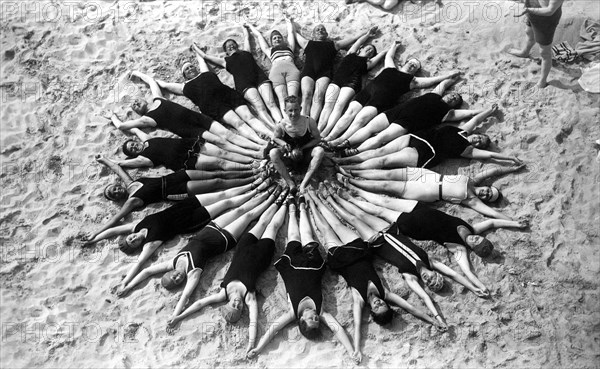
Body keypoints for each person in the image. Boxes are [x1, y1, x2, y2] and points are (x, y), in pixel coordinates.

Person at [109, 185, 286, 323]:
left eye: (173, 277)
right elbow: (187, 297)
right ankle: (273, 199)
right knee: (247, 216)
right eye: (178, 281)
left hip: (209, 229)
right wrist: (176, 315)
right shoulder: (193, 275)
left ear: (168, 273)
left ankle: (263, 191)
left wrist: (127, 285)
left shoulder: (172, 262)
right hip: (225, 239)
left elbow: (146, 271)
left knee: (236, 209)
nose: (178, 277)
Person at [305, 188, 445, 359]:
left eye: (377, 307)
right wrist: (433, 320)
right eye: (383, 305)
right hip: (357, 250)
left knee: (326, 228)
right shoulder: (385, 293)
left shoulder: (359, 300)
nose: (379, 303)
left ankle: (312, 201)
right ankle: (327, 197)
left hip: (340, 258)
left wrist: (356, 349)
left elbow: (357, 326)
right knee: (339, 224)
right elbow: (411, 308)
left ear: (371, 311)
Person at [328, 184, 527, 294]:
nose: (475, 240)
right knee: (385, 200)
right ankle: (356, 190)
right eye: (479, 240)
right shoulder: (472, 228)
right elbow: (492, 223)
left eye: (476, 244)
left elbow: (465, 272)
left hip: (411, 226)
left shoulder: (457, 248)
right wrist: (515, 223)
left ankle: (350, 200)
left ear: (473, 249)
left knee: (380, 210)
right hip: (418, 208)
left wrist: (478, 286)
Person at [166, 199, 288, 352]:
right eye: (238, 307)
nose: (237, 303)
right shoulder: (249, 297)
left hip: (244, 246)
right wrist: (252, 344)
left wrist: (178, 316)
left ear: (227, 304)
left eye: (233, 305)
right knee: (273, 226)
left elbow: (199, 304)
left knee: (262, 223)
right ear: (242, 308)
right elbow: (253, 321)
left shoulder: (223, 293)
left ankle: (277, 199)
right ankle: (285, 204)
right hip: (264, 252)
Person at [247, 199, 358, 362]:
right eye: (317, 321)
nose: (316, 318)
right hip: (314, 264)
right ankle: (302, 208)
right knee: (307, 235)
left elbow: (274, 328)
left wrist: (258, 348)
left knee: (293, 236)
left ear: (301, 320)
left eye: (311, 320)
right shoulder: (321, 312)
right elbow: (338, 329)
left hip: (291, 264)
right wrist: (351, 350)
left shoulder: (292, 313)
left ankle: (292, 209)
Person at [94, 154, 271, 241]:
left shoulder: (131, 184)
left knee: (216, 172)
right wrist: (97, 234)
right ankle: (252, 182)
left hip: (177, 176)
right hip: (176, 190)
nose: (116, 191)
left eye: (114, 188)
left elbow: (118, 168)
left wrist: (104, 160)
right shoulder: (132, 201)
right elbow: (117, 219)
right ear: (117, 200)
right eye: (113, 194)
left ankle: (252, 171)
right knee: (217, 182)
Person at [323, 41, 459, 143]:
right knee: (349, 113)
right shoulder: (390, 67)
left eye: (415, 66)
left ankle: (339, 140)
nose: (412, 65)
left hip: (380, 101)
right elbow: (389, 56)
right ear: (405, 63)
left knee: (360, 120)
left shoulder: (413, 81)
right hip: (366, 92)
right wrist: (394, 45)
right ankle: (329, 135)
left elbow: (432, 80)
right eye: (411, 62)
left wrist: (447, 76)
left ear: (416, 71)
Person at [113, 71, 262, 153]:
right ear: (138, 112)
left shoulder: (158, 98)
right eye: (134, 106)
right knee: (219, 141)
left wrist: (136, 73)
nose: (136, 103)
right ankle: (253, 152)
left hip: (199, 118)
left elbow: (151, 81)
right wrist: (113, 117)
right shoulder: (147, 119)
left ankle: (259, 144)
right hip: (191, 130)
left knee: (227, 134)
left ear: (144, 99)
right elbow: (122, 126)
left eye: (136, 101)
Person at [338, 104, 523, 169]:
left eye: (480, 143)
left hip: (426, 154)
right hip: (416, 138)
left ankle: (352, 165)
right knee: (381, 148)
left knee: (385, 160)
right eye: (480, 137)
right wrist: (489, 112)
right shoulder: (463, 131)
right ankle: (351, 156)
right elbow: (475, 120)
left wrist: (509, 158)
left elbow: (490, 156)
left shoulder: (469, 151)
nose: (477, 140)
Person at [154, 44, 272, 143]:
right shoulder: (184, 86)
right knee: (238, 123)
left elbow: (201, 60)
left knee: (249, 117)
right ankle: (260, 141)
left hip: (228, 95)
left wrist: (195, 49)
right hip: (214, 106)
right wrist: (151, 81)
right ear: (184, 75)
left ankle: (271, 135)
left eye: (191, 66)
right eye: (187, 69)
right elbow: (164, 85)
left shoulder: (205, 72)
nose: (190, 69)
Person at [337, 164, 526, 220]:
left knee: (387, 186)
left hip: (427, 191)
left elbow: (491, 212)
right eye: (489, 191)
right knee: (387, 173)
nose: (485, 193)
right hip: (428, 176)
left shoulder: (471, 200)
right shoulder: (472, 180)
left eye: (488, 197)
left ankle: (352, 184)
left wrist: (513, 221)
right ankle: (353, 171)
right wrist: (512, 168)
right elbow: (493, 171)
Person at [328, 74, 464, 151]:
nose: (452, 97)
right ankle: (345, 143)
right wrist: (454, 77)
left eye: (455, 99)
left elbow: (469, 114)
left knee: (380, 138)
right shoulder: (435, 95)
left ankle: (355, 151)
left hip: (406, 124)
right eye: (453, 95)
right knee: (368, 128)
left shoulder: (448, 113)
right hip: (395, 112)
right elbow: (444, 84)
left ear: (454, 105)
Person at [196, 27, 282, 126]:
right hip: (244, 84)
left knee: (271, 103)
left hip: (260, 78)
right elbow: (206, 56)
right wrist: (196, 48)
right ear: (226, 52)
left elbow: (246, 37)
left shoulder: (246, 51)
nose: (231, 46)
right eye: (229, 46)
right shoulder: (225, 60)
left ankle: (281, 123)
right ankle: (275, 127)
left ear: (237, 45)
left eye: (233, 44)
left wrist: (244, 27)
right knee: (260, 107)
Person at [294, 24, 372, 120]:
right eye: (317, 29)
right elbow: (294, 33)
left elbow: (354, 38)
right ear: (313, 34)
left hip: (324, 74)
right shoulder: (307, 43)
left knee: (318, 97)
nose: (320, 30)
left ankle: (311, 123)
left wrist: (367, 34)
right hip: (308, 71)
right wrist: (290, 22)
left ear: (326, 34)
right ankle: (303, 123)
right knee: (306, 96)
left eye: (323, 29)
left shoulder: (334, 45)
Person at [318, 29, 385, 136]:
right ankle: (319, 128)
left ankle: (326, 131)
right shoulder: (351, 53)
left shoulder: (368, 63)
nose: (369, 51)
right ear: (361, 49)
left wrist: (389, 50)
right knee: (328, 104)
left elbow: (381, 54)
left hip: (351, 83)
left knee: (339, 106)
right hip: (337, 80)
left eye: (371, 52)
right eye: (368, 48)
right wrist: (368, 34)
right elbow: (358, 42)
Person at [114, 126, 263, 172]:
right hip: (184, 160)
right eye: (132, 149)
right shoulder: (144, 158)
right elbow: (122, 163)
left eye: (133, 144)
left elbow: (135, 130)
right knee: (219, 163)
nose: (135, 147)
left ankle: (253, 158)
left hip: (189, 145)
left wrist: (116, 121)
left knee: (223, 152)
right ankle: (251, 168)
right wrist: (108, 160)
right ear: (134, 154)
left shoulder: (148, 141)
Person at [269, 96, 325, 194]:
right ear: (285, 111)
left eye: (296, 110)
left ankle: (304, 183)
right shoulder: (281, 125)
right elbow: (275, 138)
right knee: (273, 153)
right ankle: (290, 183)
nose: (294, 113)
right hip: (289, 156)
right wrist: (284, 144)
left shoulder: (309, 121)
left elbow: (318, 138)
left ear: (301, 109)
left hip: (307, 154)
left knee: (320, 151)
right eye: (290, 110)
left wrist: (304, 147)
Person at [246, 20, 300, 112]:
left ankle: (297, 121)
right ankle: (287, 123)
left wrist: (288, 21)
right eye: (274, 38)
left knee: (293, 99)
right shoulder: (269, 50)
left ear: (283, 39)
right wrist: (250, 25)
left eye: (279, 37)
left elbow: (290, 32)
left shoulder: (290, 47)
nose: (277, 39)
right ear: (271, 42)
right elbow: (259, 36)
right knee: (282, 100)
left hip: (292, 71)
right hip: (276, 73)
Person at [509, 0, 564, 88]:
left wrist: (528, 10)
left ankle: (542, 81)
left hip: (546, 21)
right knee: (529, 33)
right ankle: (525, 52)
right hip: (532, 11)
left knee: (544, 52)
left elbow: (550, 10)